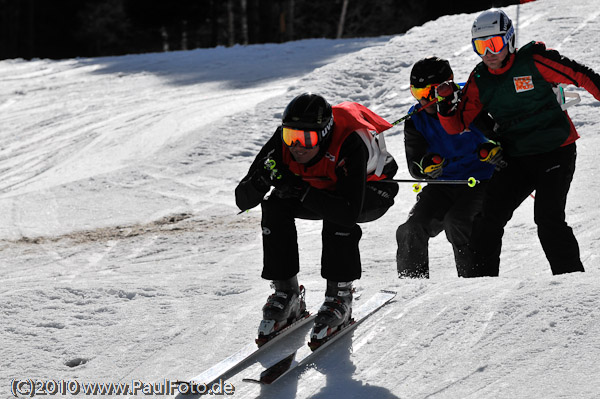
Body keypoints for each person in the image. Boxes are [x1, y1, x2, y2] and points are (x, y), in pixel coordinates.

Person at [436, 9, 600, 276]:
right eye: (481, 46)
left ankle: (571, 281)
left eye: (495, 44)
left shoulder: (533, 60)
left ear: (510, 40)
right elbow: (457, 125)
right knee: (488, 219)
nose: (489, 53)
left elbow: (580, 75)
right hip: (517, 157)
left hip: (555, 150)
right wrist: (444, 104)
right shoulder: (480, 79)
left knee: (548, 218)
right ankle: (479, 282)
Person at [235, 93, 399, 345]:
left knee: (336, 215)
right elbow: (242, 199)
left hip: (371, 191)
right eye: (291, 136)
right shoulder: (282, 143)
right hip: (318, 189)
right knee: (275, 206)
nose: (297, 146)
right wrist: (261, 181)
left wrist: (298, 188)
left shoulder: (349, 142)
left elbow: (348, 213)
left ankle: (339, 296)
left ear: (324, 134)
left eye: (306, 139)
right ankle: (287, 293)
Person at [397, 56, 496, 279]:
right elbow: (415, 164)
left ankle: (474, 280)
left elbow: (498, 135)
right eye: (417, 93)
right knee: (412, 228)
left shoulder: (472, 102)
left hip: (481, 181)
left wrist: (492, 150)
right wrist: (427, 167)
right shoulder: (416, 119)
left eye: (428, 93)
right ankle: (411, 286)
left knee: (457, 221)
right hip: (443, 184)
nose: (424, 100)